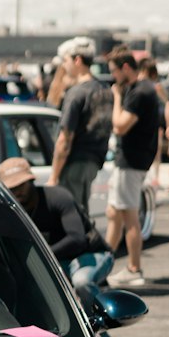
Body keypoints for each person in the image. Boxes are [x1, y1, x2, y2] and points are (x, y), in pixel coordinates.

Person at [0, 157, 113, 291]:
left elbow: (77, 238)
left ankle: (93, 311)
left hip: (89, 254)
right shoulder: (9, 210)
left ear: (31, 181)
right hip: (57, 261)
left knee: (82, 282)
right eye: (12, 188)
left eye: (21, 185)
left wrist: (42, 256)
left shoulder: (58, 197)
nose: (17, 191)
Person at [106, 46, 162, 286]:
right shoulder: (144, 89)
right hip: (132, 161)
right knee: (114, 213)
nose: (114, 78)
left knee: (128, 215)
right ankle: (106, 264)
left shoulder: (139, 92)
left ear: (126, 68)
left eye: (114, 72)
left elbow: (119, 126)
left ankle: (134, 268)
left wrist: (117, 97)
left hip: (131, 162)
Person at [46, 36, 112, 214]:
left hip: (75, 162)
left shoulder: (76, 93)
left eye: (66, 60)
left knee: (71, 216)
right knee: (82, 213)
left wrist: (53, 177)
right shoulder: (104, 89)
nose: (64, 65)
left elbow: (65, 139)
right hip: (95, 160)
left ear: (77, 60)